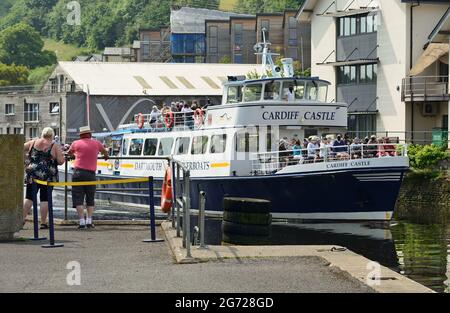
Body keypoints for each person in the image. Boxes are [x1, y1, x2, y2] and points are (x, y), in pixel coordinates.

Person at [67, 126, 109, 229]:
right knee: (90, 197)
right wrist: (105, 156)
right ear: (90, 134)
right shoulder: (96, 143)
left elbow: (69, 153)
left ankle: (81, 222)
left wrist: (74, 155)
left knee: (78, 198)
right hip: (90, 174)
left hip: (78, 173)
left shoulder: (75, 143)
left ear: (80, 135)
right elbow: (105, 152)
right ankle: (89, 221)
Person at [23, 127, 65, 229]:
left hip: (32, 172)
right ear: (52, 135)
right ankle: (43, 222)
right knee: (44, 199)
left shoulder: (32, 143)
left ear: (42, 134)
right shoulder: (54, 145)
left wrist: (26, 161)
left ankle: (21, 219)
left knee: (29, 198)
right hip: (47, 175)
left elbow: (18, 148)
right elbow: (60, 161)